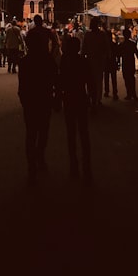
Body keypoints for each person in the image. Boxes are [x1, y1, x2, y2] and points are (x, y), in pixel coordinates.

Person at [18, 14, 60, 185]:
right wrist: (56, 97)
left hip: (30, 99)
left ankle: (31, 165)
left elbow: (22, 84)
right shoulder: (48, 59)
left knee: (31, 132)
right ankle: (40, 157)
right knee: (43, 130)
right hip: (44, 98)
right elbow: (55, 80)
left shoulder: (25, 61)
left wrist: (23, 99)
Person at [58, 31, 92, 183]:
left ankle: (74, 165)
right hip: (81, 97)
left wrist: (58, 99)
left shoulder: (65, 61)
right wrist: (93, 100)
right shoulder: (83, 61)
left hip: (69, 98)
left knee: (71, 133)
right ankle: (87, 167)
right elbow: (90, 82)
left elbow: (60, 81)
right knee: (84, 133)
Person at [82, 17, 108, 112]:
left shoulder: (88, 35)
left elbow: (83, 49)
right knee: (98, 81)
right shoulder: (102, 35)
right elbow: (106, 48)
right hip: (99, 61)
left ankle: (92, 98)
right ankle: (97, 99)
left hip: (90, 61)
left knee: (90, 81)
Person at [119, 27, 138, 101]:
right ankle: (133, 94)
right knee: (132, 78)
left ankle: (129, 94)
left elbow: (119, 54)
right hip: (131, 63)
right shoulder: (132, 44)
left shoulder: (122, 45)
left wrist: (118, 62)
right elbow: (136, 53)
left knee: (126, 79)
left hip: (125, 63)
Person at [103, 22, 119, 100]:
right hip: (112, 62)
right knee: (113, 78)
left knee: (106, 77)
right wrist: (118, 62)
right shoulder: (113, 44)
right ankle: (114, 93)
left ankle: (107, 91)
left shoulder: (105, 45)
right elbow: (117, 54)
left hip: (107, 62)